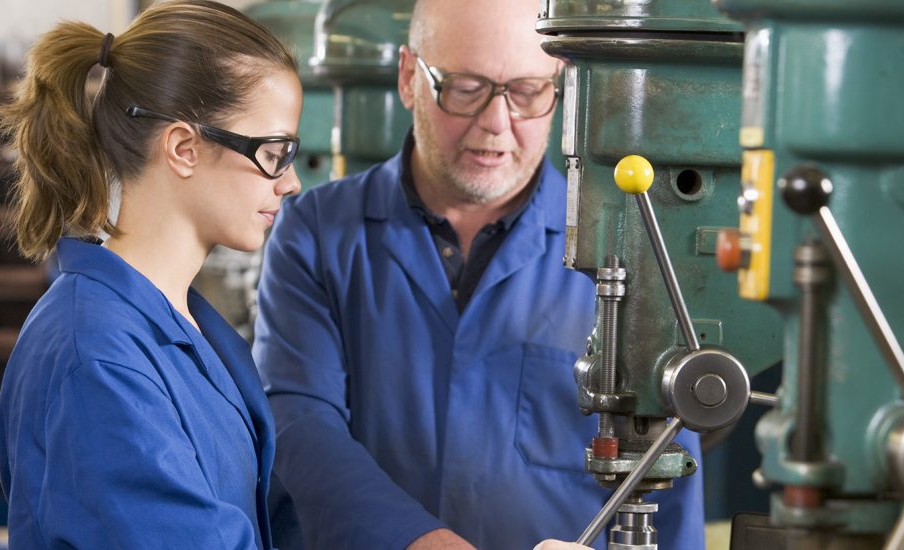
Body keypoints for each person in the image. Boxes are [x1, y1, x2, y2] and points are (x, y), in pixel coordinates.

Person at [252, 0, 703, 548]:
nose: (496, 122)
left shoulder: (629, 251)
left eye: (527, 91)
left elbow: (669, 476)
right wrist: (416, 538)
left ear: (559, 87)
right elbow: (298, 423)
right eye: (465, 88)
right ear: (408, 77)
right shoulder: (316, 233)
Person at [0, 1, 302, 547]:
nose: (291, 181)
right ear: (184, 148)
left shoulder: (182, 324)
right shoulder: (96, 356)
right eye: (274, 152)